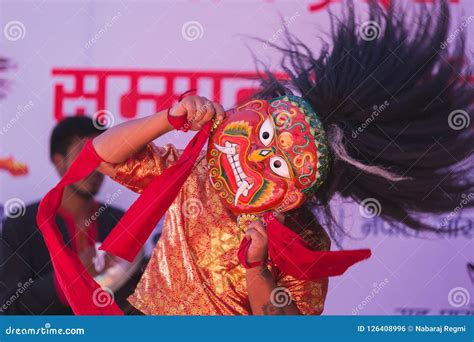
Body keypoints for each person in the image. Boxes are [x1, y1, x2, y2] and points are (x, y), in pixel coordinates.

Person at [37, 0, 473, 315]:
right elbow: (104, 157)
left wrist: (256, 268)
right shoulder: (200, 171)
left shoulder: (305, 241)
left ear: (300, 192)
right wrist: (167, 118)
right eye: (267, 136)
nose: (262, 157)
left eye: (281, 165)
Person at [0, 116, 139, 315]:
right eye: (85, 156)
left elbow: (135, 301)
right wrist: (70, 277)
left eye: (102, 157)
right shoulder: (22, 224)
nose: (95, 167)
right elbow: (9, 309)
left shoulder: (121, 221)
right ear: (59, 161)